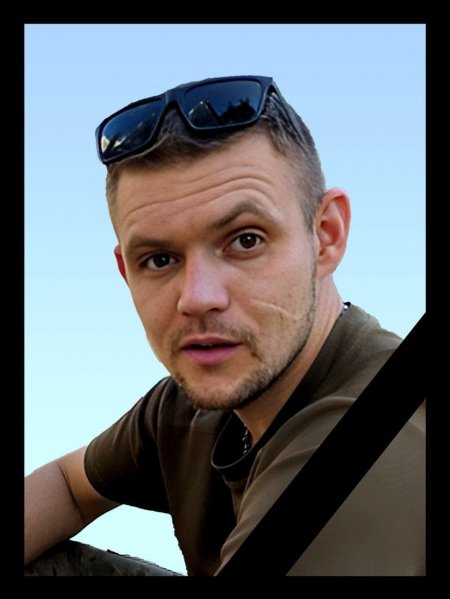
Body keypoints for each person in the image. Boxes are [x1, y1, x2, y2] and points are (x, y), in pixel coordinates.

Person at [25, 75, 425, 576]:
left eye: (246, 240)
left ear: (326, 236)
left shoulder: (372, 460)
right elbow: (68, 485)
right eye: (159, 259)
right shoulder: (194, 402)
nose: (197, 298)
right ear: (126, 273)